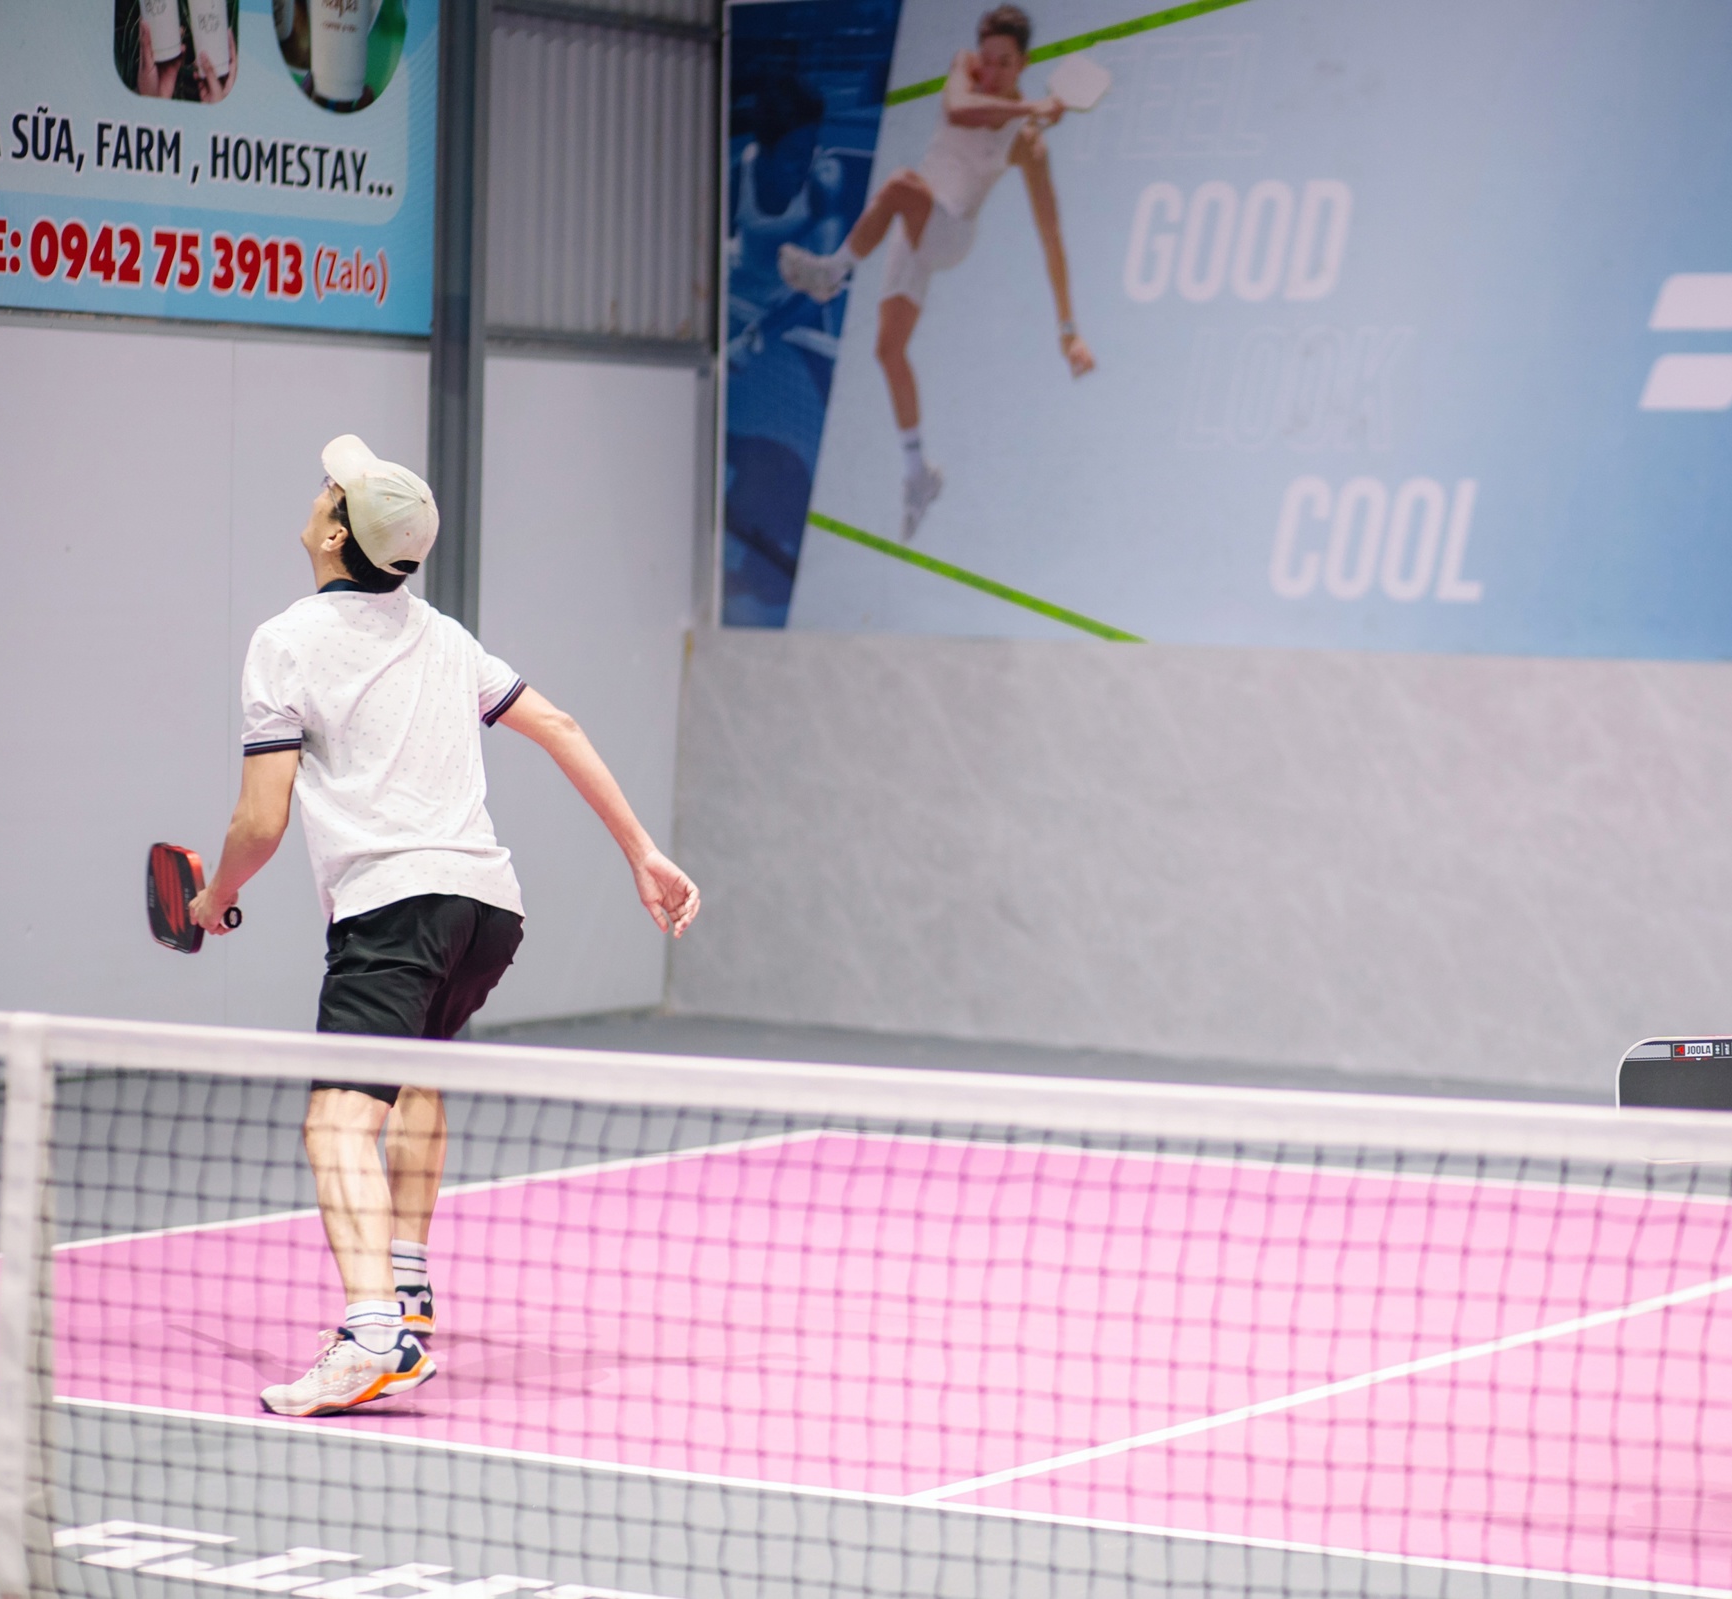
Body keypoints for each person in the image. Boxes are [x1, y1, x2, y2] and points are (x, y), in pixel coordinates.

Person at [189, 434, 701, 1418]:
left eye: (330, 489)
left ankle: (372, 1334)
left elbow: (261, 818)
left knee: (337, 1121)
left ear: (334, 534)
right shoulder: (445, 635)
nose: (320, 492)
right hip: (486, 910)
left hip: (394, 907)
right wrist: (643, 851)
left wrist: (215, 898)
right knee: (416, 1077)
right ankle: (409, 1286)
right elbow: (560, 727)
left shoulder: (286, 640)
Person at [776, 4, 1095, 539]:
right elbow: (958, 109)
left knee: (899, 183)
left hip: (948, 232)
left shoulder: (1027, 143)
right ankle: (917, 473)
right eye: (987, 59)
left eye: (1005, 63)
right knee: (888, 351)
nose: (991, 70)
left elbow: (1051, 237)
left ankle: (831, 275)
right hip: (914, 226)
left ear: (1023, 63)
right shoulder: (963, 71)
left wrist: (1069, 331)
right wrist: (1034, 104)